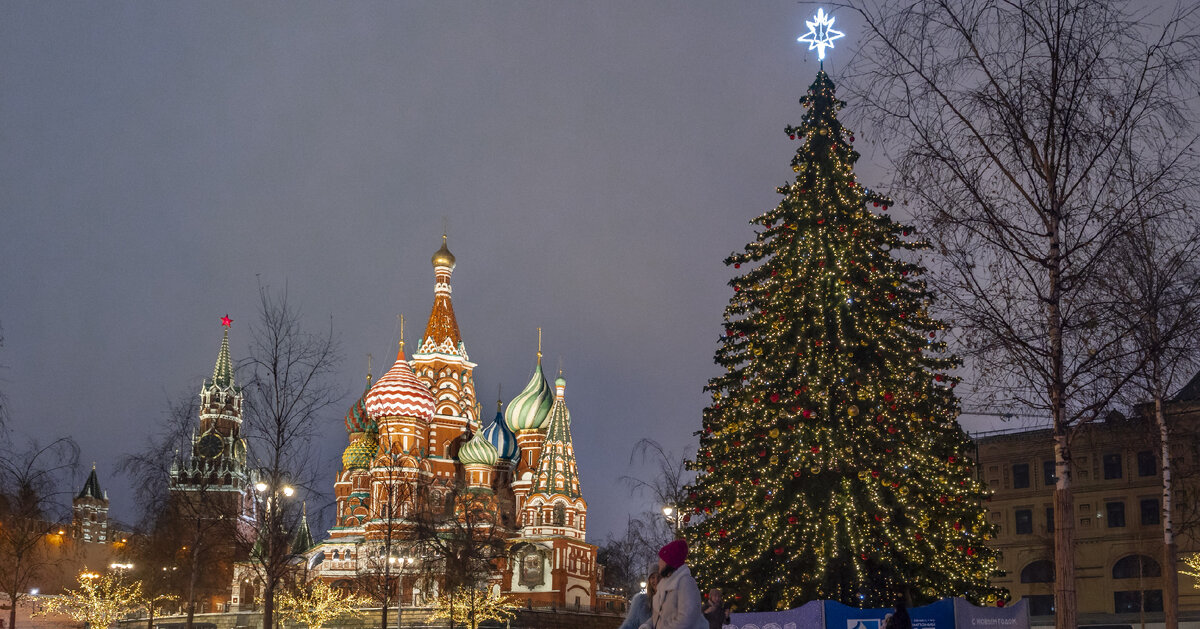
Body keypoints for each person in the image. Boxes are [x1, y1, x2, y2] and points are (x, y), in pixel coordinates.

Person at [639, 539, 707, 629]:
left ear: (669, 562)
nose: (659, 563)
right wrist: (647, 626)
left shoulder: (686, 583)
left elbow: (687, 620)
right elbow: (660, 617)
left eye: (662, 559)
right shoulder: (665, 584)